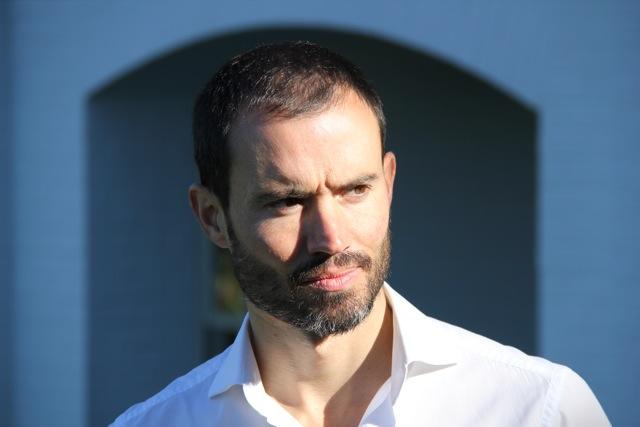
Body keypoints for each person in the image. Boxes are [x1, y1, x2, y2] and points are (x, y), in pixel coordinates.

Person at [112, 41, 609, 427]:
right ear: (212, 217)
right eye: (287, 201)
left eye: (355, 190)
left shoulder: (541, 410)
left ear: (388, 185)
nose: (330, 239)